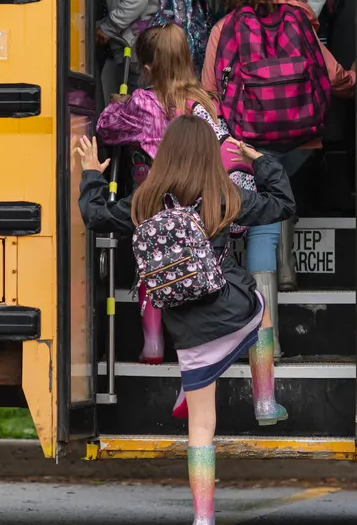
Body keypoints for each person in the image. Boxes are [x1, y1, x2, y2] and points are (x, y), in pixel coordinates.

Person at [74, 117, 294, 525]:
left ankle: (203, 519)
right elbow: (282, 203)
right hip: (233, 309)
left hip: (186, 330)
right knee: (261, 308)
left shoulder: (144, 202)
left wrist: (91, 174)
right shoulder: (224, 196)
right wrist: (259, 159)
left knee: (201, 425)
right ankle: (265, 400)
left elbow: (95, 215)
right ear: (210, 154)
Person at [203, 0, 356, 355]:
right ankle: (286, 274)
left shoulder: (225, 28)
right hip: (302, 144)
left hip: (248, 147)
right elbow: (336, 79)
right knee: (282, 199)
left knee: (259, 228)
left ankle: (260, 341)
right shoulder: (303, 23)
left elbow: (209, 94)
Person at [95, 24, 256, 364]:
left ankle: (153, 345)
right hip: (203, 201)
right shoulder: (206, 102)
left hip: (159, 201)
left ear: (149, 69)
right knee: (199, 263)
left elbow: (106, 129)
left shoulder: (142, 103)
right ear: (187, 59)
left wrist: (117, 104)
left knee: (154, 264)